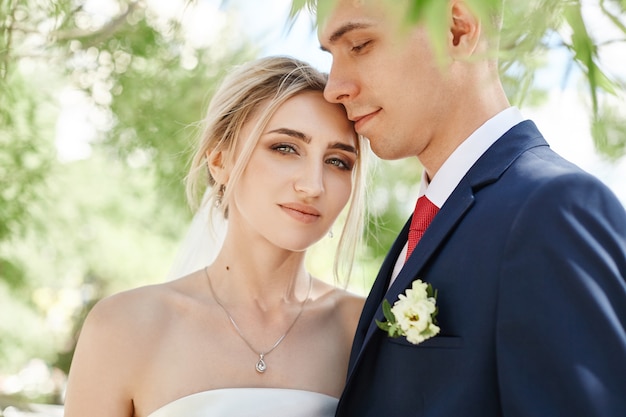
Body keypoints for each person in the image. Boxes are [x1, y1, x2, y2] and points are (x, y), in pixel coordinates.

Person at [313, 0, 626, 415]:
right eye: (331, 57)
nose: (334, 88)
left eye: (360, 44)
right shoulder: (430, 221)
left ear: (457, 31)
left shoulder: (554, 209)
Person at [63, 55, 370, 417]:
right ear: (220, 161)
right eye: (285, 148)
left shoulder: (364, 331)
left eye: (338, 161)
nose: (313, 185)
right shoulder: (124, 327)